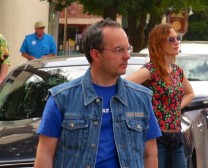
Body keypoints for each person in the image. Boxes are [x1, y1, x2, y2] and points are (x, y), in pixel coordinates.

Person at [34, 19, 161, 168]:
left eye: (128, 49)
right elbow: (45, 154)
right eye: (119, 49)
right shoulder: (61, 99)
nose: (127, 56)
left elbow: (150, 154)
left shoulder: (141, 98)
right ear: (96, 54)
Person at [126, 23, 194, 168]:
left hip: (176, 136)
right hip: (156, 138)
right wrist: (138, 113)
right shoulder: (150, 70)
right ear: (159, 43)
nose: (176, 42)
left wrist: (177, 106)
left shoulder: (177, 71)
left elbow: (190, 93)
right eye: (171, 39)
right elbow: (124, 86)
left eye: (177, 38)